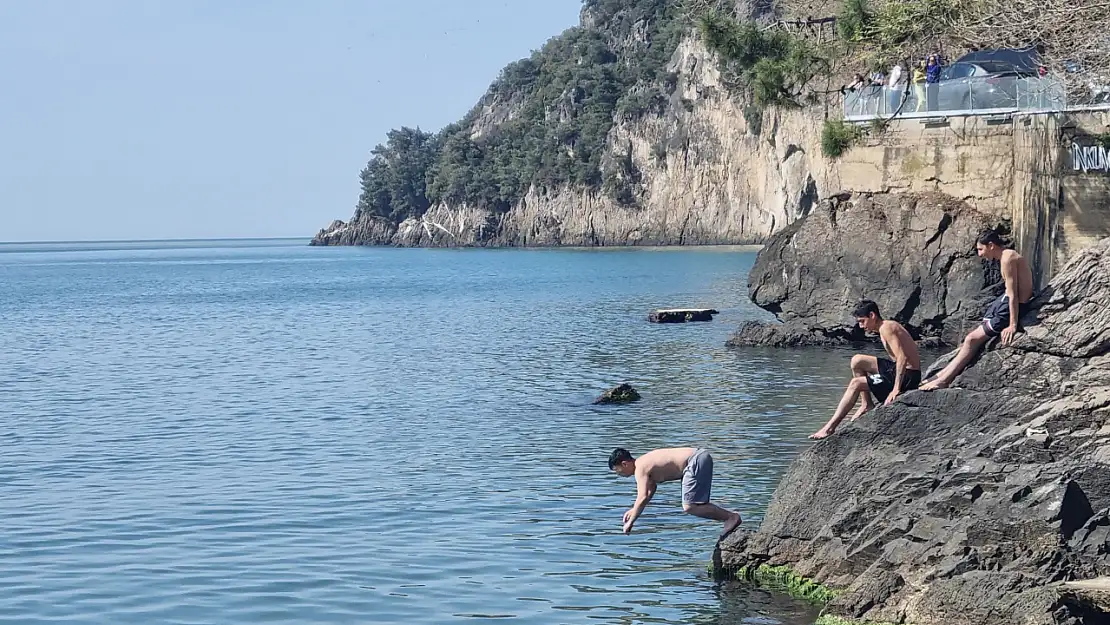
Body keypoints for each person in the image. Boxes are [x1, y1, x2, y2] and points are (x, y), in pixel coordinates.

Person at [920, 230, 1034, 390]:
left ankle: (944, 380)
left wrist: (1012, 325)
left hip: (1011, 307)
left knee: (971, 339)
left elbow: (1014, 295)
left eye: (981, 249)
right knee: (972, 336)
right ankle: (941, 373)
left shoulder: (1008, 259)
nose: (979, 254)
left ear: (991, 245)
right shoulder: (1007, 256)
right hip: (1003, 302)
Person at [809, 299, 921, 440]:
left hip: (908, 377)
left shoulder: (887, 328)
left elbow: (902, 358)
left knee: (856, 384)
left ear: (872, 315)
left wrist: (896, 389)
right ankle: (866, 403)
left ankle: (829, 428)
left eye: (862, 321)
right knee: (857, 360)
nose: (861, 326)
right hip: (897, 369)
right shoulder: (885, 326)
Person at [608, 447, 742, 537]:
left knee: (690, 506)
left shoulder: (639, 469)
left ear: (625, 463)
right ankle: (729, 518)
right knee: (696, 504)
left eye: (618, 471)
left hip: (694, 461)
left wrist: (630, 522)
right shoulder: (644, 462)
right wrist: (634, 510)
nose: (620, 475)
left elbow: (642, 497)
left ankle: (730, 517)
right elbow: (650, 491)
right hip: (701, 456)